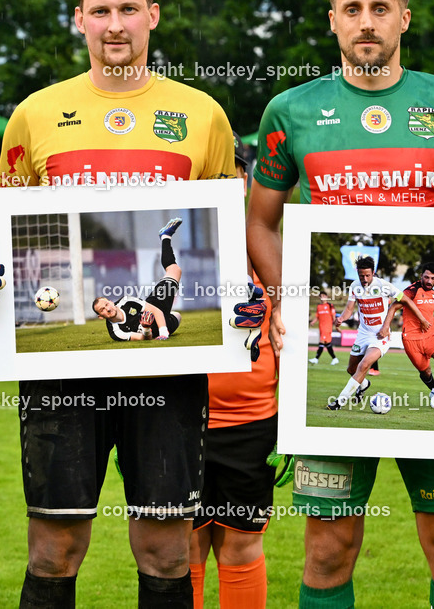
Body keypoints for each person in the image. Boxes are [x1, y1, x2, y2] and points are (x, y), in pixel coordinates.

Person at [246, 0, 434, 608]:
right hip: (317, 368)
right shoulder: (290, 111)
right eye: (351, 8)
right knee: (329, 547)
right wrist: (284, 299)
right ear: (332, 20)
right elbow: (261, 223)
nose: (366, 22)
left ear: (403, 19)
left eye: (380, 8)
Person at [0, 0, 235, 607]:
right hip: (62, 382)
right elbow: (5, 235)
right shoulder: (35, 115)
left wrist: (243, 300)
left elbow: (233, 235)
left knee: (166, 549)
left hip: (169, 379)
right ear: (79, 19)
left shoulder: (203, 115)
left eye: (128, 8)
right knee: (54, 548)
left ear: (152, 15)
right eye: (100, 10)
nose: (115, 24)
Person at [190, 135, 277, 609]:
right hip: (179, 421)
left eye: (230, 171)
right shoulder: (173, 252)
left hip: (252, 425)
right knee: (182, 548)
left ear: (245, 180)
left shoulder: (267, 246)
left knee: (242, 546)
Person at [326, 255, 426, 410]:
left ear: (373, 273)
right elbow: (349, 309)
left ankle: (339, 402)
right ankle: (364, 384)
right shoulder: (355, 286)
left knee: (364, 365)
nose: (364, 279)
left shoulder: (383, 286)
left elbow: (406, 300)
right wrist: (341, 319)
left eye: (367, 275)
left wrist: (422, 319)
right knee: (351, 369)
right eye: (361, 276)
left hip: (380, 336)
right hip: (363, 334)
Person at [91, 218, 184, 341]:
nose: (107, 309)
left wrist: (163, 332)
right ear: (101, 317)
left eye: (106, 304)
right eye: (102, 310)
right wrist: (146, 328)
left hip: (156, 309)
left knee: (174, 270)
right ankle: (167, 321)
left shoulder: (126, 302)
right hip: (159, 326)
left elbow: (155, 310)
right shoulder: (116, 332)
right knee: (177, 316)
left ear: (111, 302)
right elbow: (144, 338)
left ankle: (165, 236)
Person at [386, 260, 434, 409]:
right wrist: (386, 327)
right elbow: (393, 307)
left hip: (430, 335)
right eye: (426, 277)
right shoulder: (412, 290)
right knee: (426, 372)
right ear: (421, 276)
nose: (429, 281)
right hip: (411, 339)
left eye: (433, 278)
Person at [309, 291, 338, 365]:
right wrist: (313, 322)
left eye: (323, 296)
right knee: (327, 343)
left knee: (321, 341)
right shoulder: (319, 306)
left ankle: (316, 359)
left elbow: (334, 316)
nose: (322, 297)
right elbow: (317, 316)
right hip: (321, 327)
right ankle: (334, 358)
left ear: (326, 297)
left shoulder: (330, 305)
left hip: (327, 327)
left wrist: (336, 325)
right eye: (321, 296)